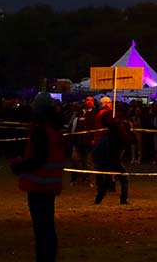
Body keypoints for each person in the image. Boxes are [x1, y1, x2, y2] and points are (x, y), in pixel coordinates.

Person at [10, 92, 66, 262]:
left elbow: (39, 158)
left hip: (38, 184)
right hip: (50, 183)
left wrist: (19, 166)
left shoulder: (41, 130)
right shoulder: (55, 128)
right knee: (47, 228)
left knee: (41, 229)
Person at [94, 106, 136, 205]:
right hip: (114, 157)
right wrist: (131, 133)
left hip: (111, 156)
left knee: (108, 180)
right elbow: (127, 138)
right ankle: (123, 199)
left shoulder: (114, 126)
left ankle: (98, 199)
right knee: (124, 178)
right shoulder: (118, 126)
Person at [71, 95, 98, 186]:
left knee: (88, 161)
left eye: (91, 100)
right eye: (87, 100)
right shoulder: (80, 113)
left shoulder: (95, 114)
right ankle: (77, 178)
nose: (89, 102)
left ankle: (89, 180)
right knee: (75, 160)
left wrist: (94, 138)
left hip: (89, 141)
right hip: (78, 141)